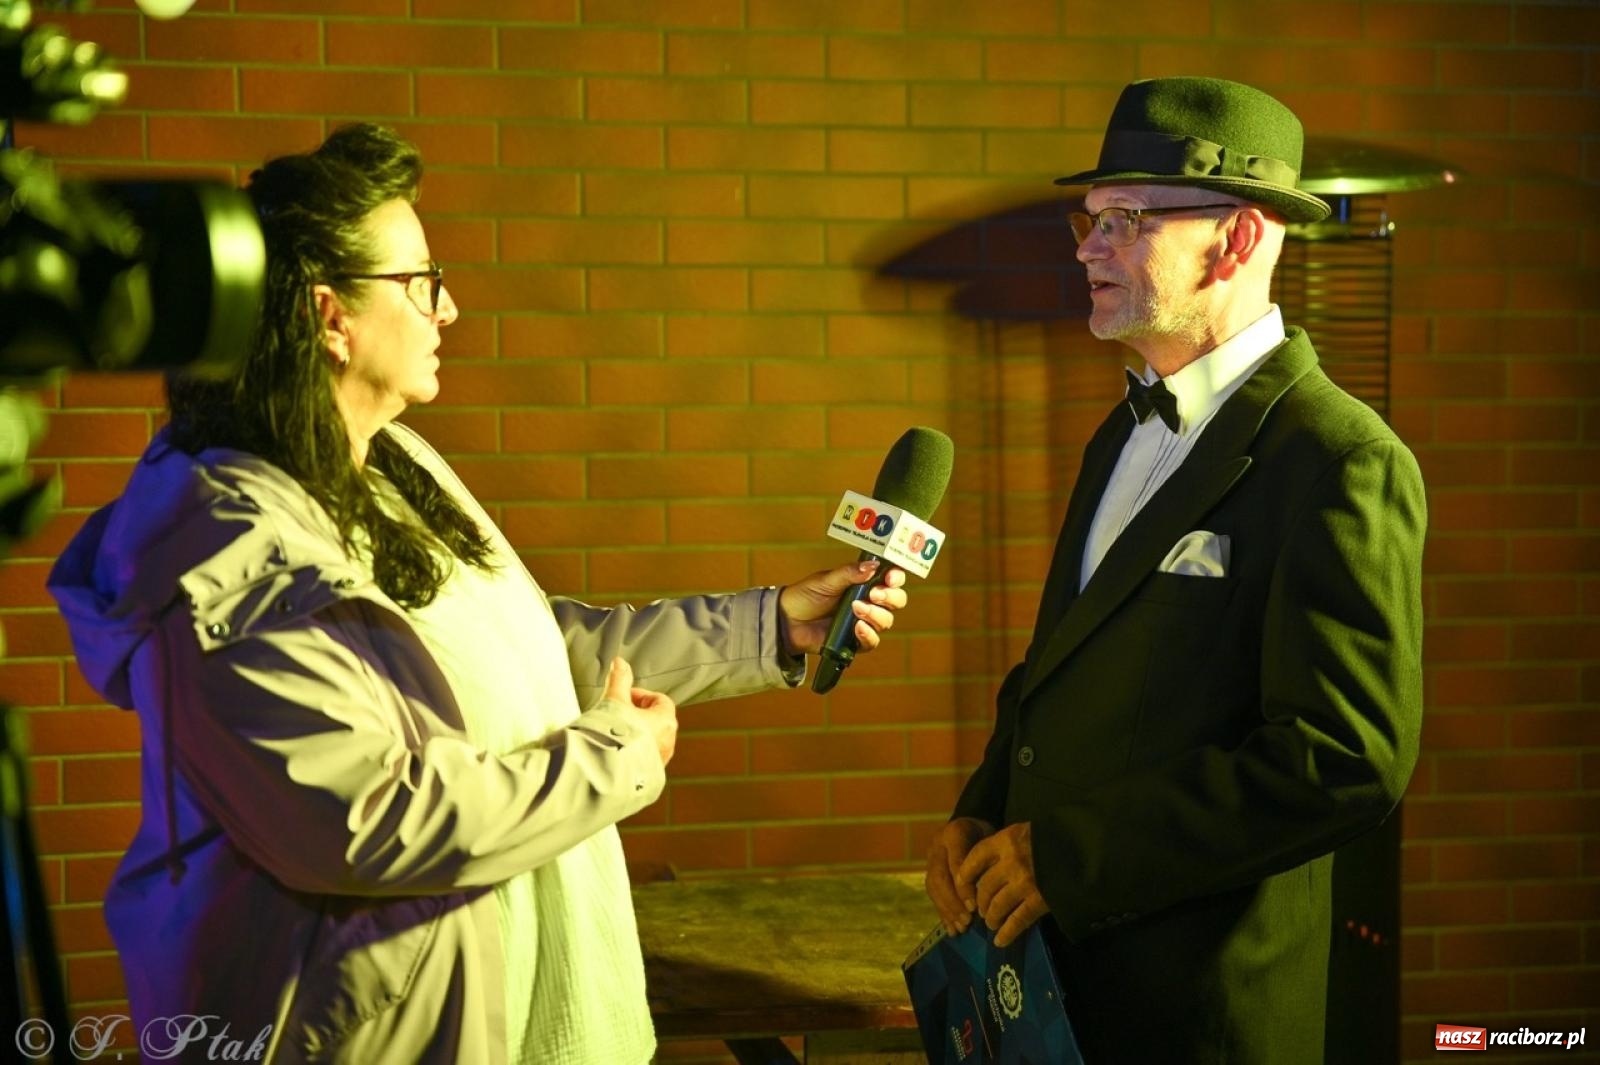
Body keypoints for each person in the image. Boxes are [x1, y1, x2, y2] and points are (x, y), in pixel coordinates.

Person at [47, 123, 907, 1065]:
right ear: (331, 316)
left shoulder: (392, 464)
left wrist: (768, 626)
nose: (447, 308)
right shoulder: (227, 549)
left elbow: (525, 660)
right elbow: (368, 818)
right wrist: (616, 758)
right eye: (420, 282)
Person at [923, 77, 1425, 1064]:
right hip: (1060, 996)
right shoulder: (1119, 434)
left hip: (1197, 1014)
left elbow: (1343, 758)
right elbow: (1059, 667)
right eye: (1090, 219)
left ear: (1236, 240)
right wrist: (983, 803)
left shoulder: (1339, 459)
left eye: (1125, 220)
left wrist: (1071, 858)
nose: (1086, 248)